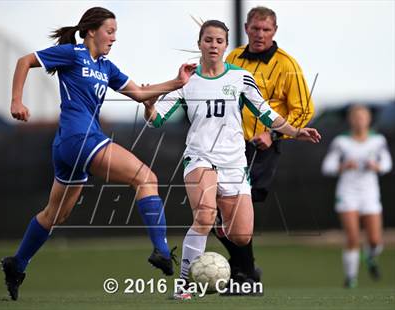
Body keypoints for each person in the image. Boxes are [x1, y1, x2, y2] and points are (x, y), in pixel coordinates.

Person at [1, 7, 196, 301]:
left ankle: (17, 263)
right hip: (80, 138)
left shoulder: (106, 67)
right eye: (110, 31)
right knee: (146, 178)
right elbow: (24, 60)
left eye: (115, 32)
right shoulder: (72, 53)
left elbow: (140, 94)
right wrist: (16, 100)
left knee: (56, 215)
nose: (114, 38)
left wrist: (177, 82)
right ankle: (162, 251)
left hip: (70, 146)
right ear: (91, 30)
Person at [143, 20, 321, 300]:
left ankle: (221, 252)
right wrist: (149, 103)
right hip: (200, 157)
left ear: (226, 46)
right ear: (199, 43)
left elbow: (265, 113)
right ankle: (185, 285)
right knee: (203, 215)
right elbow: (156, 121)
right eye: (208, 40)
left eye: (219, 41)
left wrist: (295, 132)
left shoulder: (240, 77)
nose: (213, 45)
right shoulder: (186, 80)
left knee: (241, 235)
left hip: (235, 163)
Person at [213, 6, 316, 288]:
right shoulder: (233, 57)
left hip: (262, 147)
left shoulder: (286, 65)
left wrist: (273, 134)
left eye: (266, 29)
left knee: (235, 209)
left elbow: (304, 109)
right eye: (255, 28)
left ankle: (243, 272)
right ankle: (244, 269)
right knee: (213, 214)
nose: (260, 34)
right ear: (246, 28)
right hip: (229, 146)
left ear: (275, 31)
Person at [322, 104, 392, 288]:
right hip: (347, 193)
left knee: (375, 240)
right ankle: (351, 278)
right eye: (356, 117)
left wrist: (376, 166)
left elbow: (386, 164)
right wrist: (343, 167)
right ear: (350, 120)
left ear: (369, 119)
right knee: (352, 238)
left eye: (363, 117)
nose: (360, 120)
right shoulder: (341, 142)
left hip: (370, 194)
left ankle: (371, 258)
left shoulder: (378, 140)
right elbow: (327, 167)